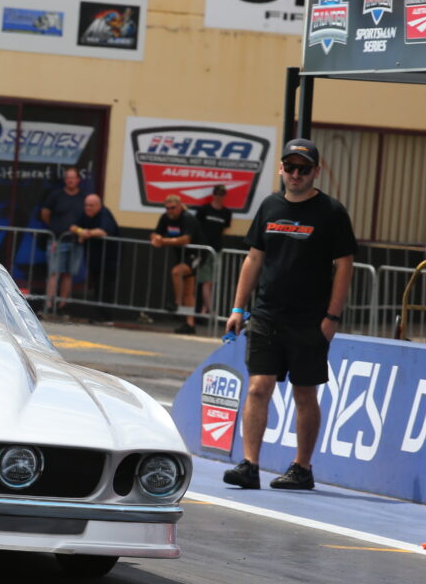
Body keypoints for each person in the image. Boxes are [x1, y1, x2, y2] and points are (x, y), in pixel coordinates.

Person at [222, 138, 356, 491]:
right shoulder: (269, 206)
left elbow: (344, 266)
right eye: (290, 167)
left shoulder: (331, 212)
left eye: (304, 168)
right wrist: (238, 308)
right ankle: (250, 465)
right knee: (258, 388)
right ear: (281, 168)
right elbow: (254, 258)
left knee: (304, 393)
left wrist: (332, 317)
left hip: (310, 320)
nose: (296, 174)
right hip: (266, 315)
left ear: (316, 171)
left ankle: (302, 467)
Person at [39, 166, 90, 314]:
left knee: (69, 274)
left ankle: (62, 305)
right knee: (54, 272)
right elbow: (45, 214)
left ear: (78, 180)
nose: (70, 180)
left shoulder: (83, 197)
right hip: (57, 240)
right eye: (67, 177)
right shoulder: (56, 195)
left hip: (76, 242)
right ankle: (49, 305)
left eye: (72, 178)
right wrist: (56, 228)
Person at [150, 194, 203, 334]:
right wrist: (156, 238)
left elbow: (186, 239)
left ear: (180, 206)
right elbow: (155, 233)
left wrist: (163, 241)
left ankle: (177, 303)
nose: (170, 210)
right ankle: (190, 323)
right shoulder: (165, 217)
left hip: (196, 254)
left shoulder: (187, 218)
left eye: (173, 207)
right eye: (167, 208)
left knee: (176, 272)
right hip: (180, 255)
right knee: (189, 291)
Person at [68, 194, 119, 322]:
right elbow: (73, 227)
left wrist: (87, 234)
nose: (88, 208)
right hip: (94, 258)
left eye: (91, 205)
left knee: (106, 287)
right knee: (96, 285)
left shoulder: (104, 213)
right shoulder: (85, 214)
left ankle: (107, 317)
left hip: (109, 258)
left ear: (98, 205)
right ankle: (98, 315)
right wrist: (80, 231)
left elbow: (103, 231)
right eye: (86, 205)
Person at [192, 184, 233, 323]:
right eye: (217, 194)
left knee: (212, 280)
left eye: (222, 194)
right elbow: (197, 227)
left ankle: (205, 308)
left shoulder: (226, 213)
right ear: (213, 195)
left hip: (217, 248)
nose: (219, 197)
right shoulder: (204, 210)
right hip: (204, 249)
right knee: (206, 280)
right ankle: (209, 309)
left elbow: (225, 228)